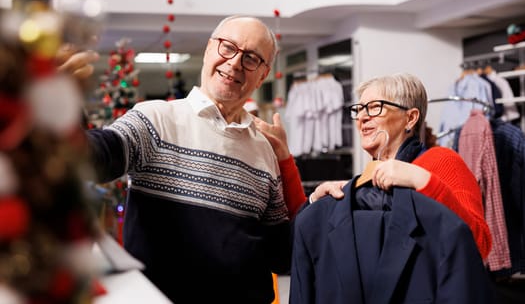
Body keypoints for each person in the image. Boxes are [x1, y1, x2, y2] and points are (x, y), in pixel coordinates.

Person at [69, 15, 306, 304]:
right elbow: (94, 156)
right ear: (209, 49)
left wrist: (325, 208)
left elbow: (281, 255)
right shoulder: (155, 119)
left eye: (252, 58)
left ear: (263, 75)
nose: (234, 63)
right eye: (228, 47)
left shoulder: (264, 151)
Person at [255, 73, 492, 261]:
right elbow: (298, 243)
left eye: (375, 107)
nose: (362, 118)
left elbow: (478, 246)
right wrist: (314, 198)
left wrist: (424, 181)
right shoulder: (364, 184)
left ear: (410, 118)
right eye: (359, 110)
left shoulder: (440, 161)